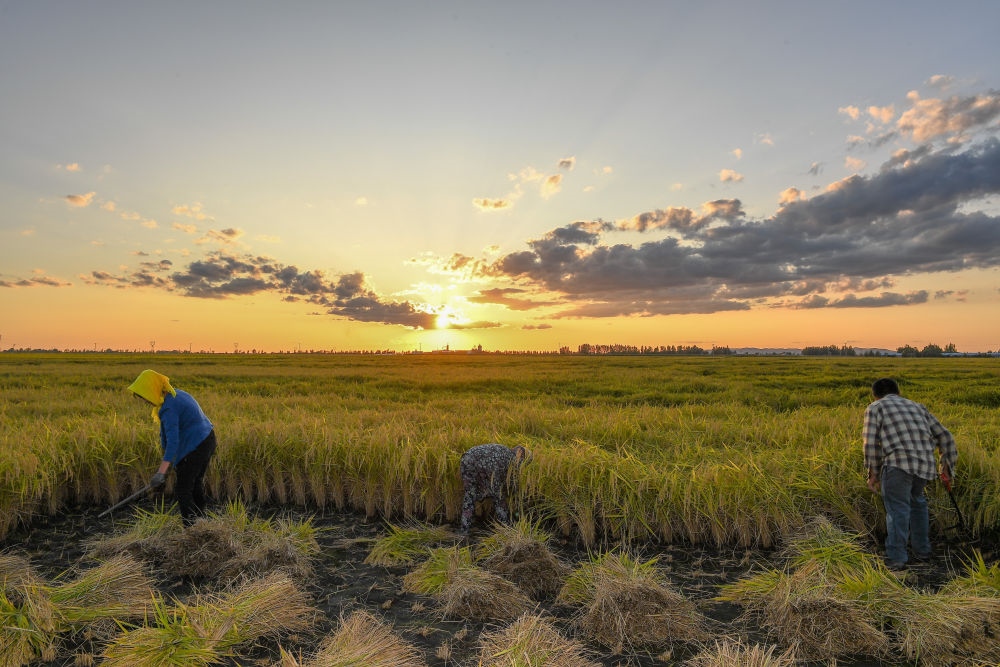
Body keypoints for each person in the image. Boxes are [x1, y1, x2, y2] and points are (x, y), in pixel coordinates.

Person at [863, 377, 957, 569]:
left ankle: (897, 559)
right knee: (917, 503)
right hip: (924, 466)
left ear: (875, 395)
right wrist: (946, 466)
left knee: (898, 510)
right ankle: (923, 552)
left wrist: (873, 473)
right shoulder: (917, 407)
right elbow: (945, 436)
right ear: (898, 392)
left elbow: (870, 443)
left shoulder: (875, 407)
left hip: (897, 464)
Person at [129, 369, 217, 526]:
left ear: (152, 390)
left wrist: (161, 473)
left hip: (197, 445)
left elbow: (173, 443)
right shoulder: (175, 394)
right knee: (194, 482)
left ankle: (191, 529)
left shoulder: (169, 408)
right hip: (208, 439)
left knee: (183, 490)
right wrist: (166, 469)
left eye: (145, 396)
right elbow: (166, 437)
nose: (146, 401)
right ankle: (202, 523)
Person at [458, 443, 530, 534]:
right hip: (488, 465)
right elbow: (507, 483)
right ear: (522, 457)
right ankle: (506, 530)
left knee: (469, 495)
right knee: (499, 497)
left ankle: (464, 531)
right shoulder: (510, 458)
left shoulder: (503, 449)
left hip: (466, 458)